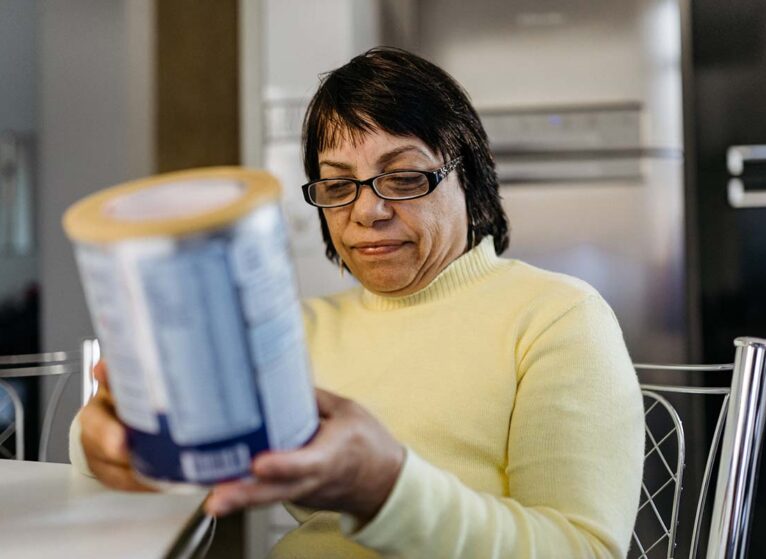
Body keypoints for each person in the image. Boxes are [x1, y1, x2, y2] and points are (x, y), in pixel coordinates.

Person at [70, 47, 644, 558]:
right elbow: (163, 456)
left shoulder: (555, 317)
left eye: (403, 176)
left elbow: (581, 548)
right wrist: (107, 437)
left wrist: (385, 489)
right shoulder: (296, 333)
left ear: (467, 178)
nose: (367, 211)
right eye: (338, 185)